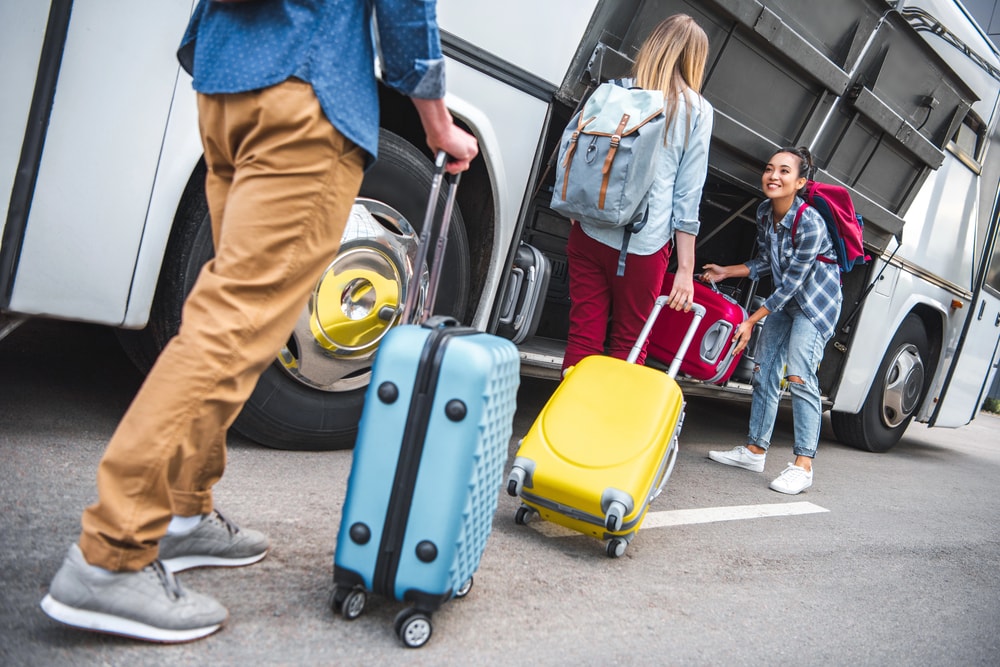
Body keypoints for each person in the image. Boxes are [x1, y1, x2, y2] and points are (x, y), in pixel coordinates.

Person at [40, 0, 478, 643]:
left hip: (228, 87)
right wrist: (437, 120)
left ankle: (184, 510)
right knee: (236, 324)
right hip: (306, 90)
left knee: (227, 317)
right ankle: (112, 555)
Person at [561, 14, 713, 374]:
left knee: (583, 336)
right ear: (694, 59)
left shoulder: (614, 90)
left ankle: (569, 423)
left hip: (588, 232)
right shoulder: (696, 110)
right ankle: (610, 428)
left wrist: (579, 211)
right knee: (630, 344)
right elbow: (687, 196)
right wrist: (686, 271)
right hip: (642, 246)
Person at [702, 146, 841, 495]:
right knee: (765, 370)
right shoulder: (765, 212)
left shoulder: (809, 221)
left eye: (783, 171)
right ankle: (754, 450)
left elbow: (794, 282)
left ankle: (803, 465)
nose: (773, 176)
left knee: (798, 374)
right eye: (769, 169)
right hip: (786, 303)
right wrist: (726, 271)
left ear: (800, 182)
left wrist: (750, 321)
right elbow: (766, 261)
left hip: (815, 305)